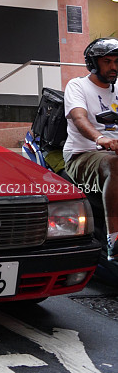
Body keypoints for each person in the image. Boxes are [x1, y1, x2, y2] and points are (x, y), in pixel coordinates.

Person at [63, 37, 118, 262]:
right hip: (83, 154)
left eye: (117, 62)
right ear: (93, 63)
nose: (113, 67)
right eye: (107, 61)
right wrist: (100, 138)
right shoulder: (77, 86)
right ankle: (114, 238)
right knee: (114, 164)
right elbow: (79, 118)